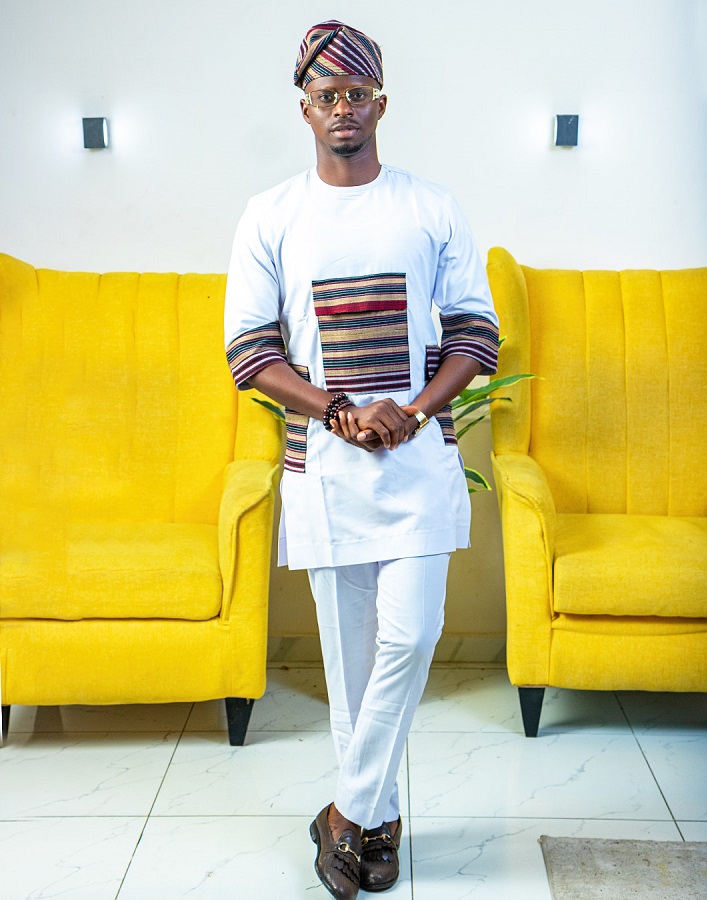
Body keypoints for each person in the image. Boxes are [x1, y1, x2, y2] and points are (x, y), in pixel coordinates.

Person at [224, 20, 499, 900]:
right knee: (348, 675)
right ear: (304, 109)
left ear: (382, 104)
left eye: (356, 94)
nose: (342, 107)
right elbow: (250, 352)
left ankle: (343, 812)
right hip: (325, 471)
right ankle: (376, 826)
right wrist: (340, 411)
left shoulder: (431, 206)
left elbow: (475, 331)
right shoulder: (271, 214)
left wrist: (411, 411)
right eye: (326, 95)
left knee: (410, 637)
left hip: (417, 463)